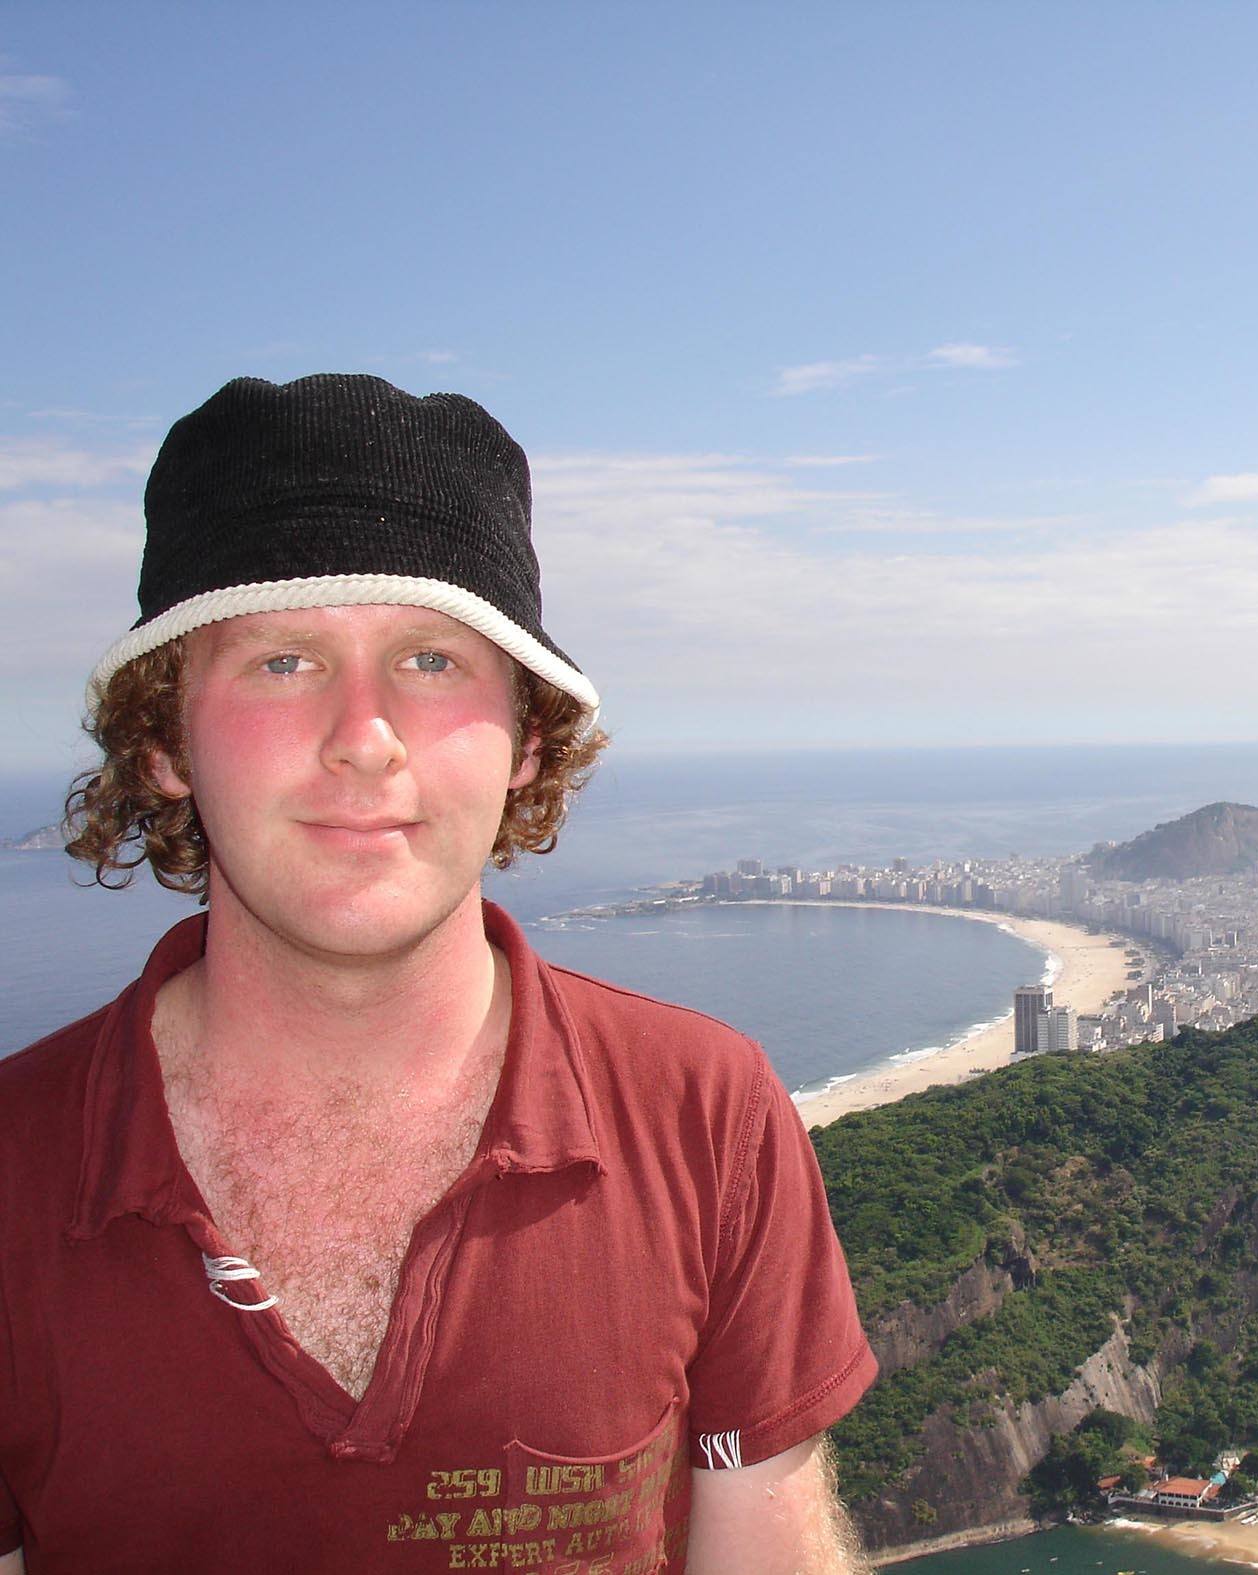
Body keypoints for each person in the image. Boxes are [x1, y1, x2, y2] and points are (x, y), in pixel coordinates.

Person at [0, 375, 880, 1573]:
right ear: (162, 742)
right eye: (280, 662)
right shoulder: (14, 1171)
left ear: (526, 741)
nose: (365, 737)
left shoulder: (707, 1118)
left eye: (428, 659)